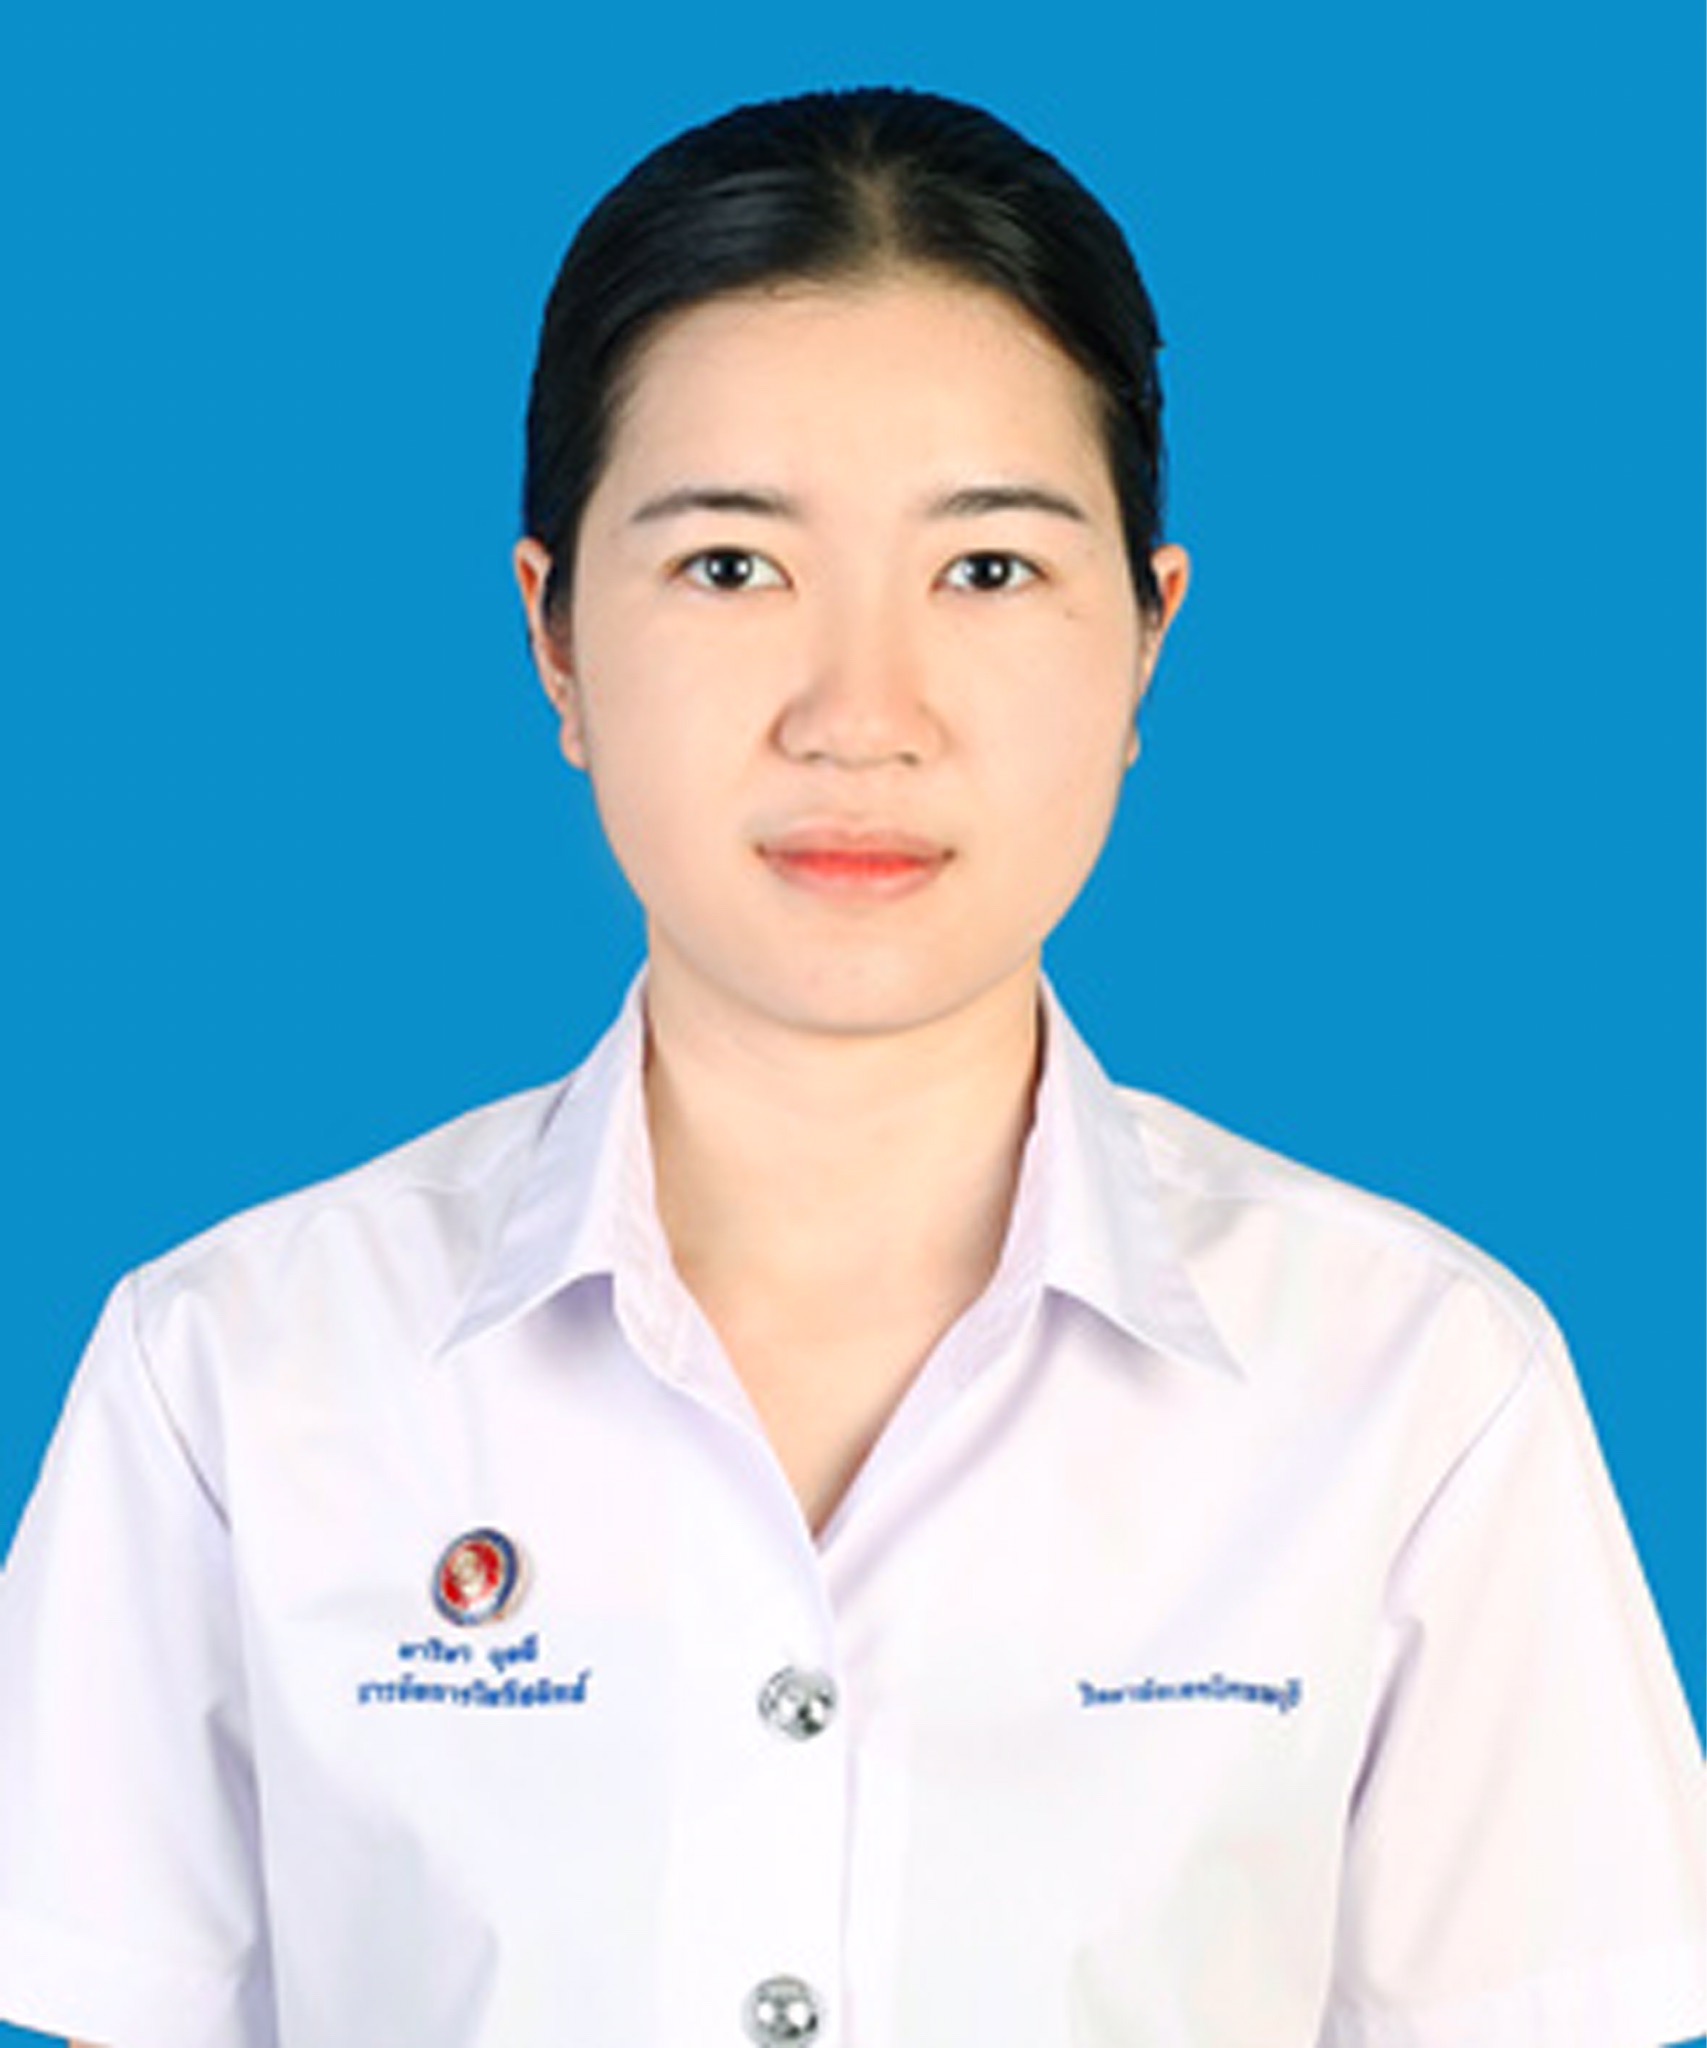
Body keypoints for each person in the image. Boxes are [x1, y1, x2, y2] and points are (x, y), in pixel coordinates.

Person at [0, 86, 1700, 2048]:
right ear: (555, 638)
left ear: (1145, 638)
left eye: (987, 571)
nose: (859, 715)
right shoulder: (234, 1372)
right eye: (731, 566)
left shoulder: (1416, 1386)